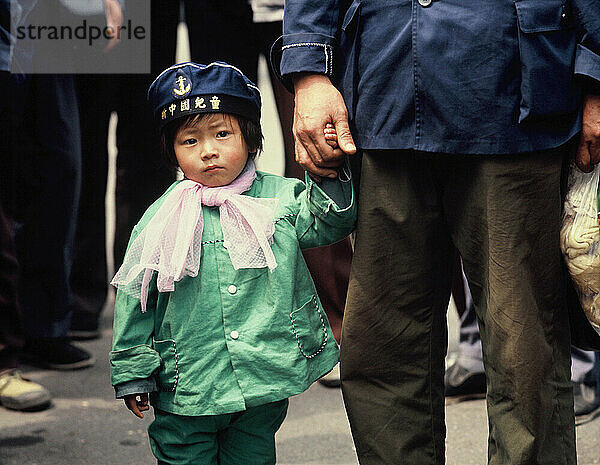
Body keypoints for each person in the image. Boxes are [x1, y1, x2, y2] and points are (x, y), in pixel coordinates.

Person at [275, 1, 600, 463]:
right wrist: (309, 70)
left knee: (525, 352)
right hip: (385, 89)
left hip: (514, 94)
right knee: (385, 352)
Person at [109, 62, 356, 464]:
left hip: (261, 379)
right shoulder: (158, 220)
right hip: (188, 383)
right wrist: (133, 367)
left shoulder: (282, 199)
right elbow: (136, 297)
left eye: (222, 134)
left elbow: (331, 221)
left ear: (251, 139)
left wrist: (326, 170)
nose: (208, 151)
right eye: (189, 140)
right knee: (184, 455)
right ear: (172, 151)